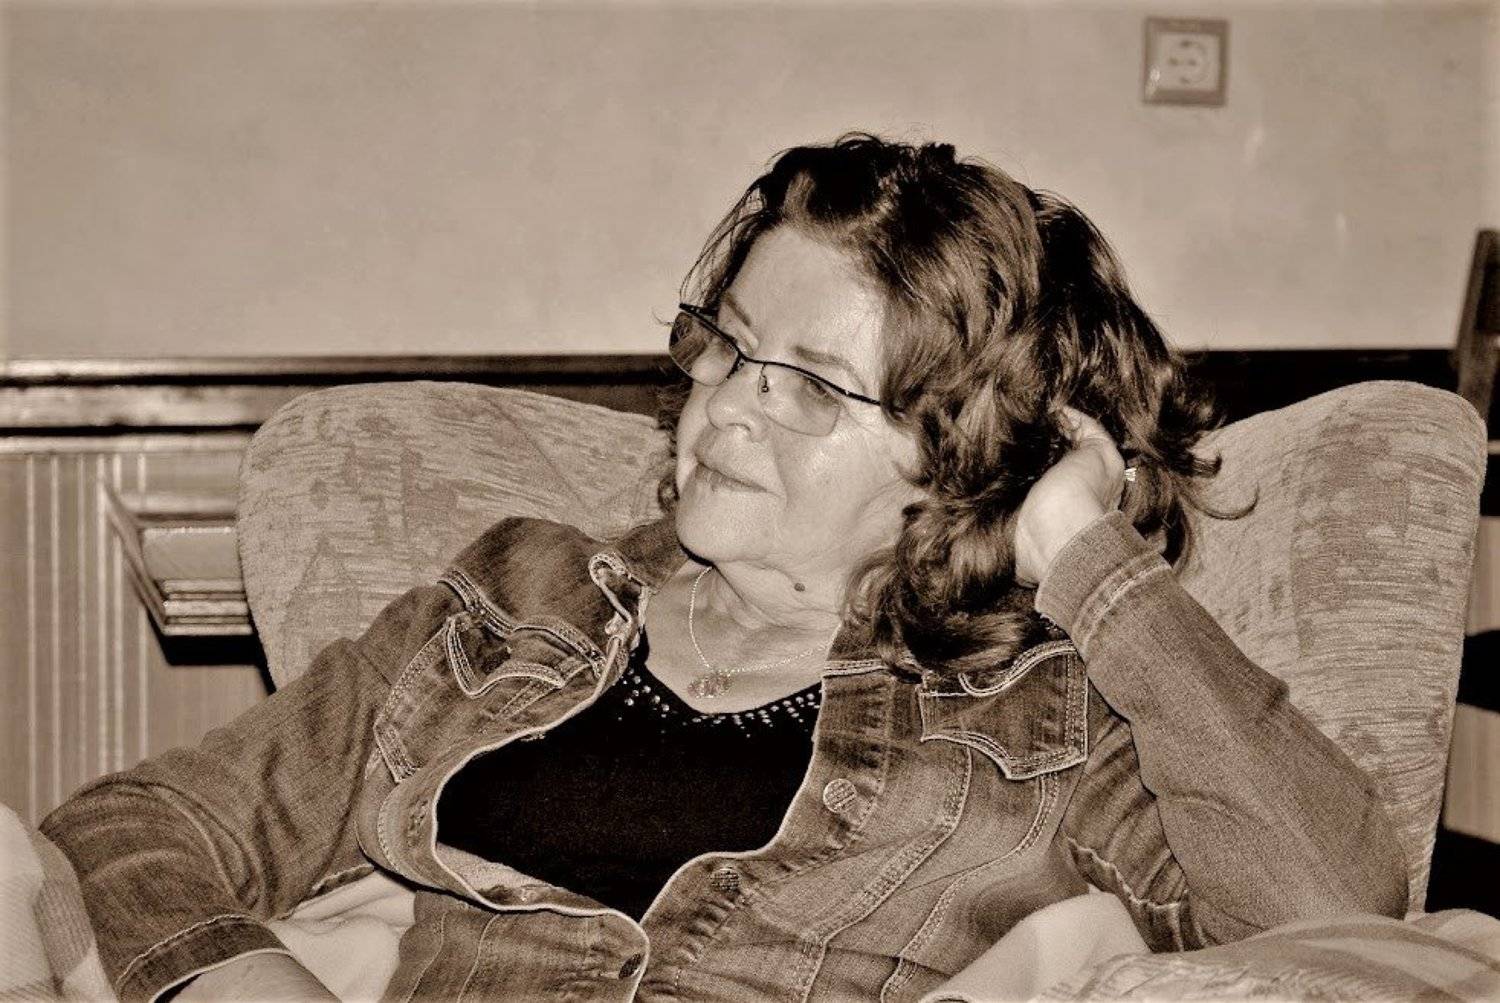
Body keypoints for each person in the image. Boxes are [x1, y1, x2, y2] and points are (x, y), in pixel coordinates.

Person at [43, 133, 1408, 1002]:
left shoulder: (1048, 717)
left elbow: (1333, 918)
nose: (728, 404)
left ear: (962, 454)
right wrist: (246, 984)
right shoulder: (516, 599)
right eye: (731, 344)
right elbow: (140, 825)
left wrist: (1083, 556)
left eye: (811, 383)